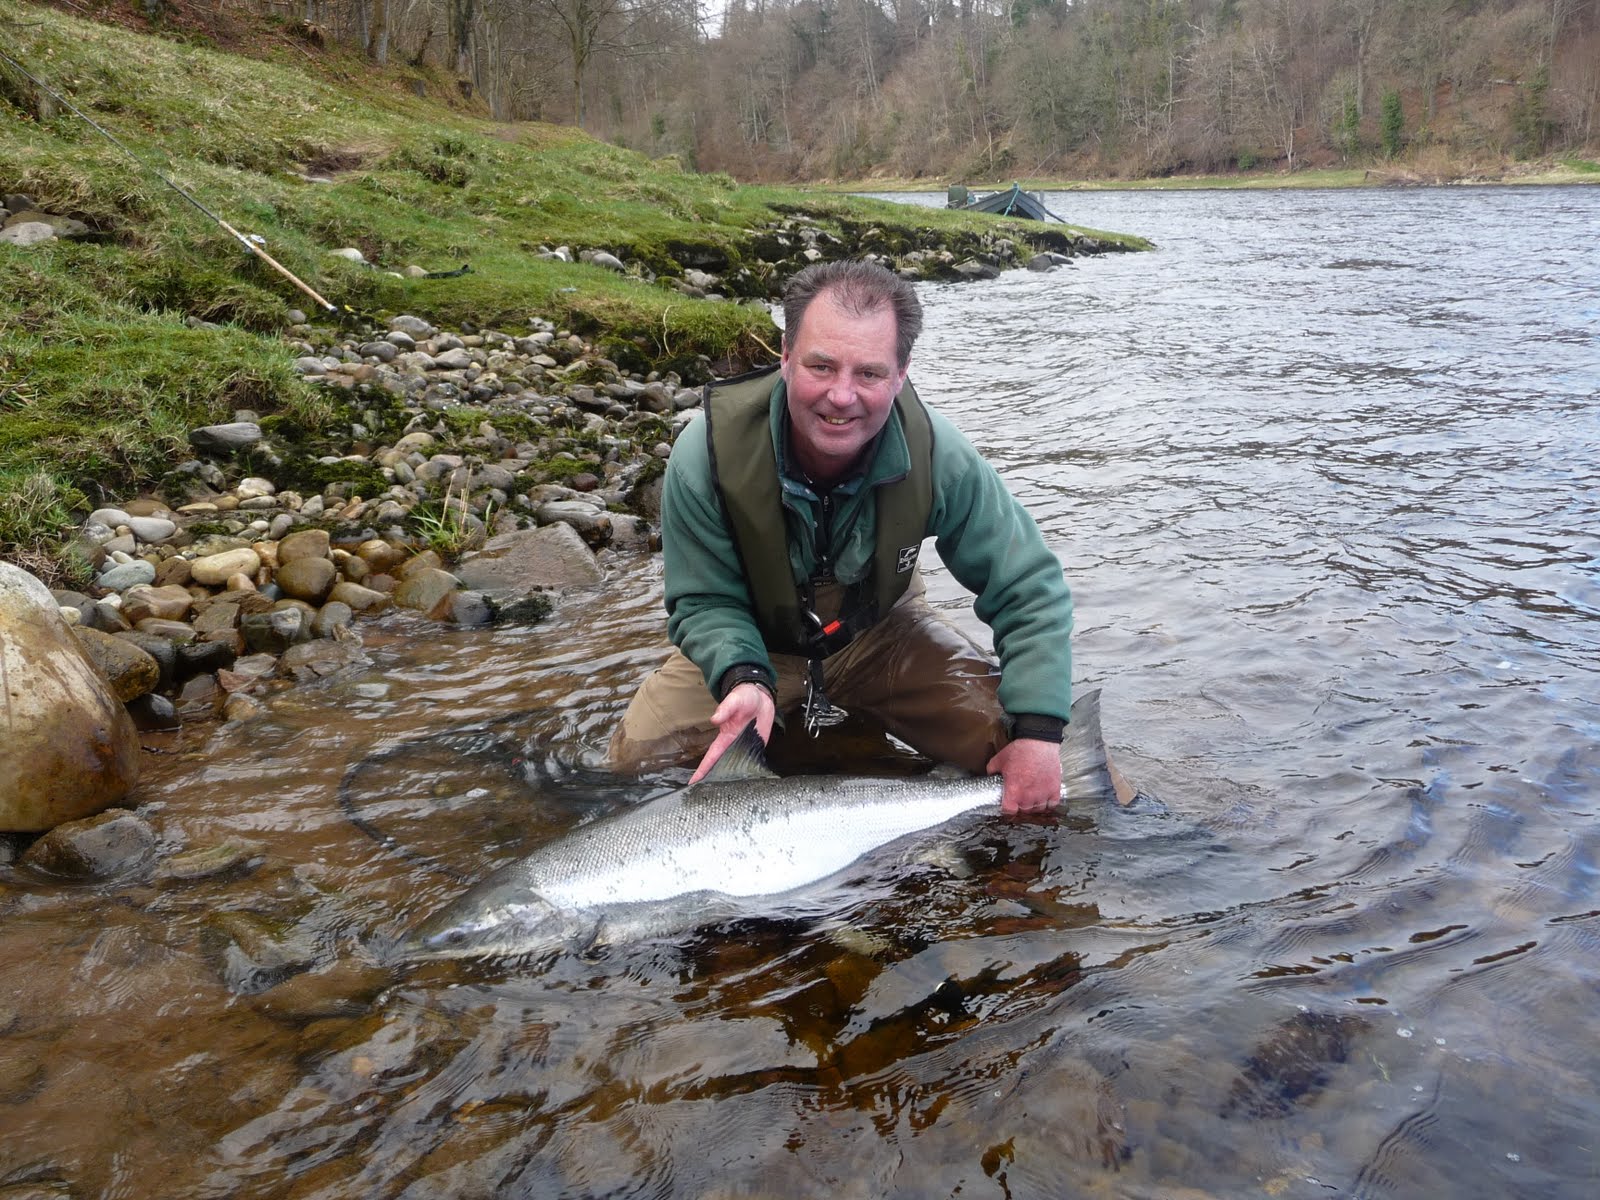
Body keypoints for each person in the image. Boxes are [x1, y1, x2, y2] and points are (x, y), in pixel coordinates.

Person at [608, 259, 1073, 813]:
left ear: (901, 376)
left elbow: (1028, 587)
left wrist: (1041, 730)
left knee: (1028, 755)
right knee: (630, 773)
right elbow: (702, 601)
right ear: (784, 357)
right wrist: (742, 674)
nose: (842, 396)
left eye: (869, 374)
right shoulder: (705, 456)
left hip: (885, 634)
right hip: (756, 646)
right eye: (821, 366)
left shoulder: (938, 456)